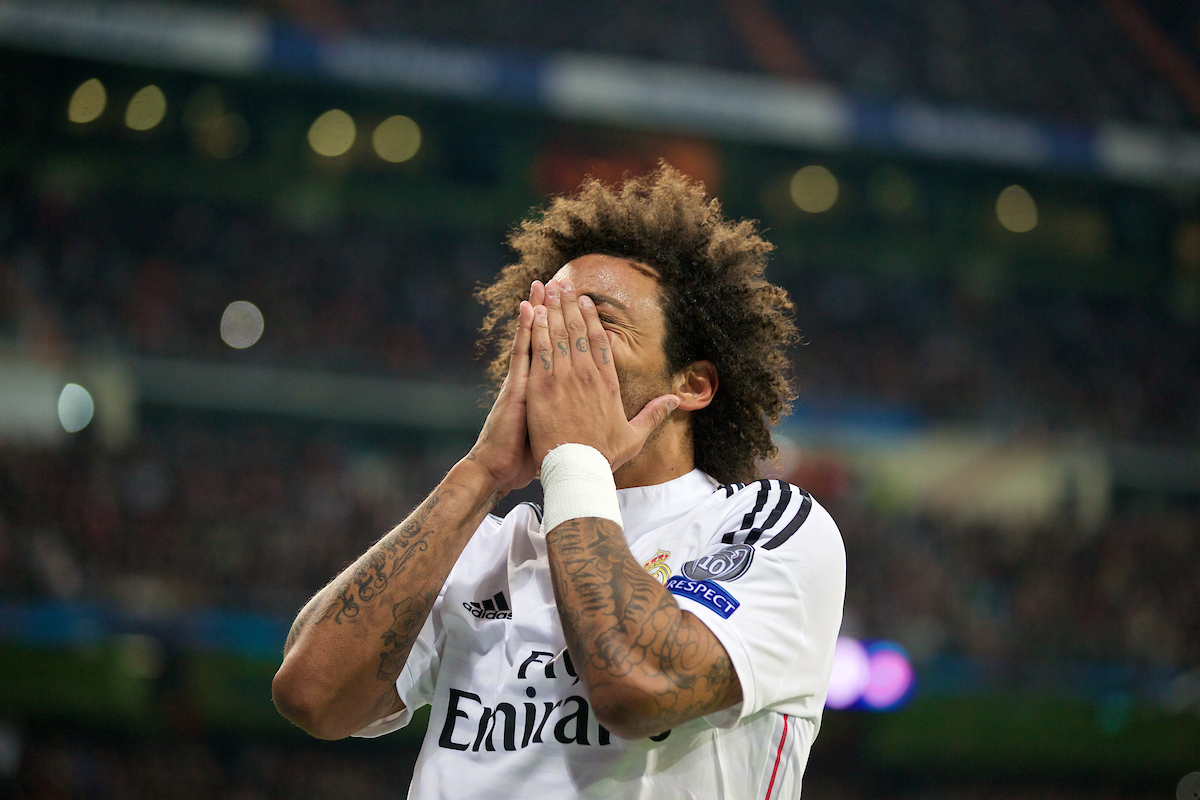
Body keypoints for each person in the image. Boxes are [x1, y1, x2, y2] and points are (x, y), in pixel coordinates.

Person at [272, 165, 846, 799]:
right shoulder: (489, 547)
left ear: (693, 384)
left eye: (597, 322)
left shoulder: (765, 523)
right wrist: (482, 473)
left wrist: (575, 459)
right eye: (546, 322)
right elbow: (311, 696)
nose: (561, 347)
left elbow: (637, 685)